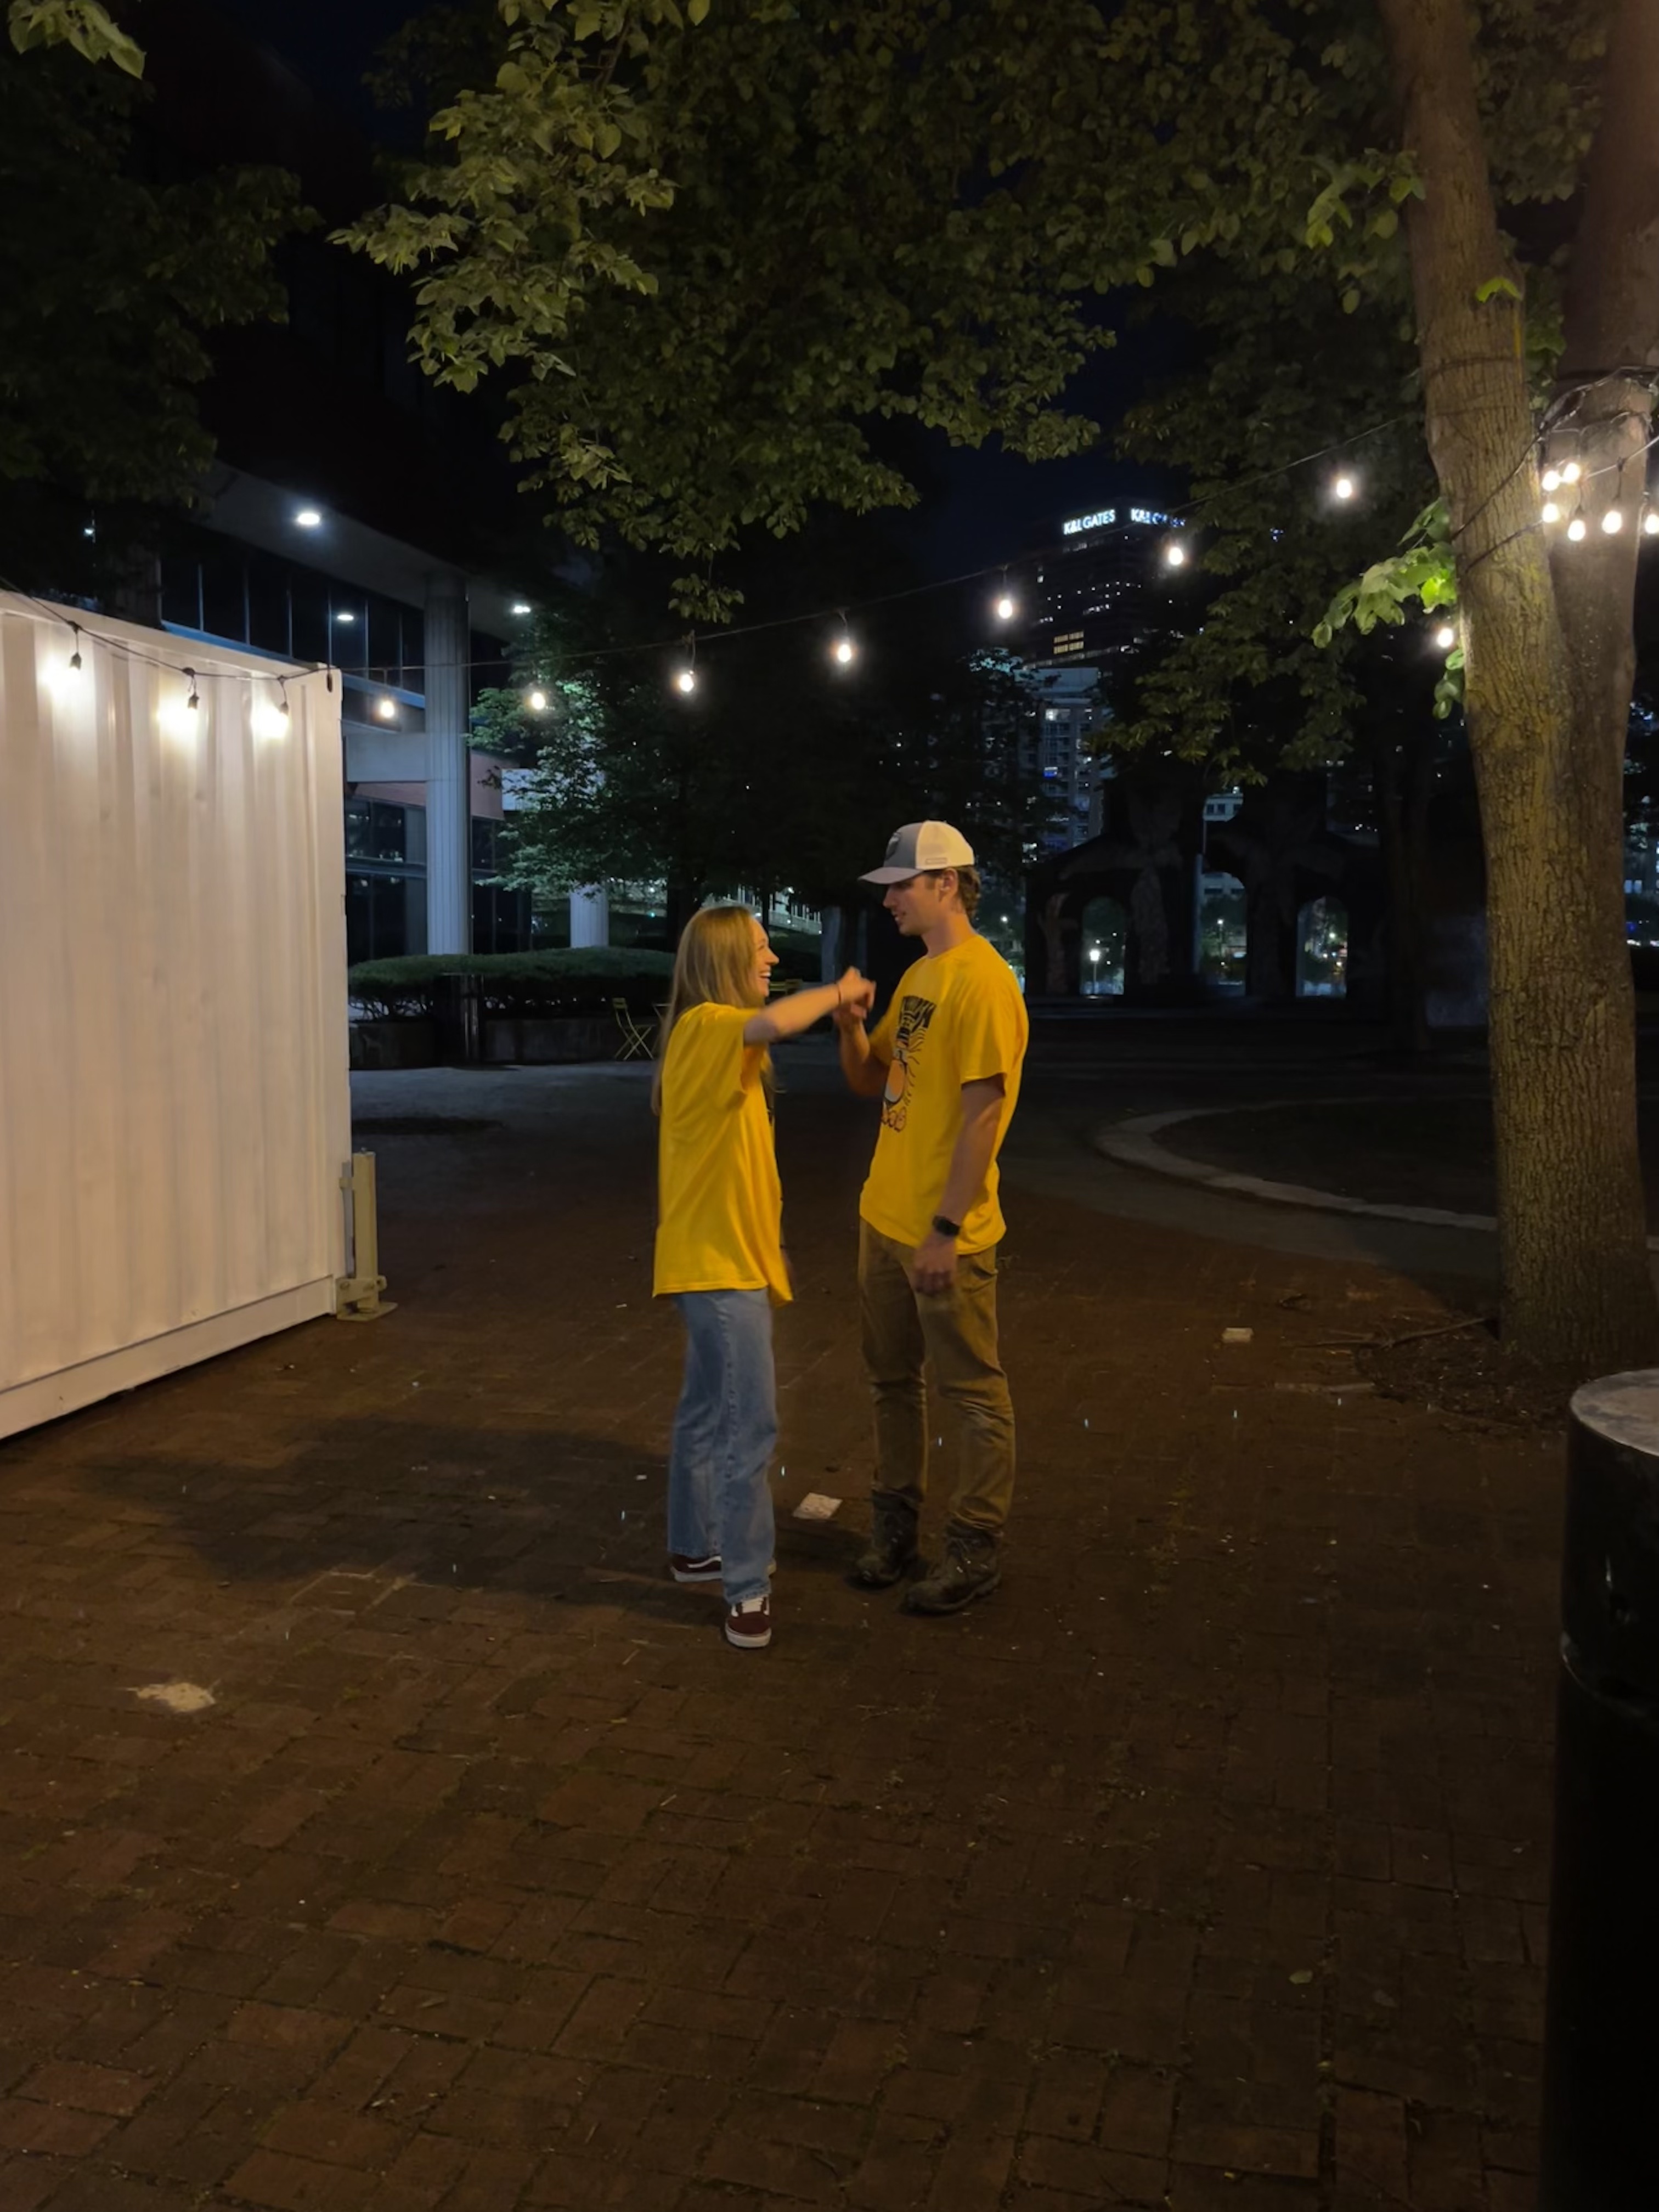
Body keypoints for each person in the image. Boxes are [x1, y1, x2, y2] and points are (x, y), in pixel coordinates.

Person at [653, 905, 874, 1650]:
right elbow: (775, 1022)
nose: (772, 958)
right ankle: (746, 1589)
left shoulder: (711, 1039)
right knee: (750, 1425)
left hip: (719, 1261)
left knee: (706, 1409)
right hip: (721, 1270)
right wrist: (840, 990)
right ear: (723, 959)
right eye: (759, 946)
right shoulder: (709, 1026)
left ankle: (694, 1547)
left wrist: (770, 1245)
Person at [833, 822, 1029, 1613]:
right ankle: (896, 1530)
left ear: (947, 884)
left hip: (945, 1234)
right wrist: (851, 1024)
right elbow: (874, 1079)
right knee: (891, 1382)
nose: (890, 901)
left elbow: (985, 1115)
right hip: (883, 1218)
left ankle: (975, 1547)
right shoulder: (921, 976)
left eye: (902, 886)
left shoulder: (984, 983)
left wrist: (946, 1229)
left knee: (974, 1394)